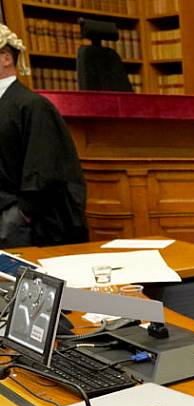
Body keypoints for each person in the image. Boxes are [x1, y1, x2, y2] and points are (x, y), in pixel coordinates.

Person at [0, 24, 88, 247]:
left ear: (6, 58)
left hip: (15, 221)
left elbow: (44, 168)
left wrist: (22, 213)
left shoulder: (32, 106)